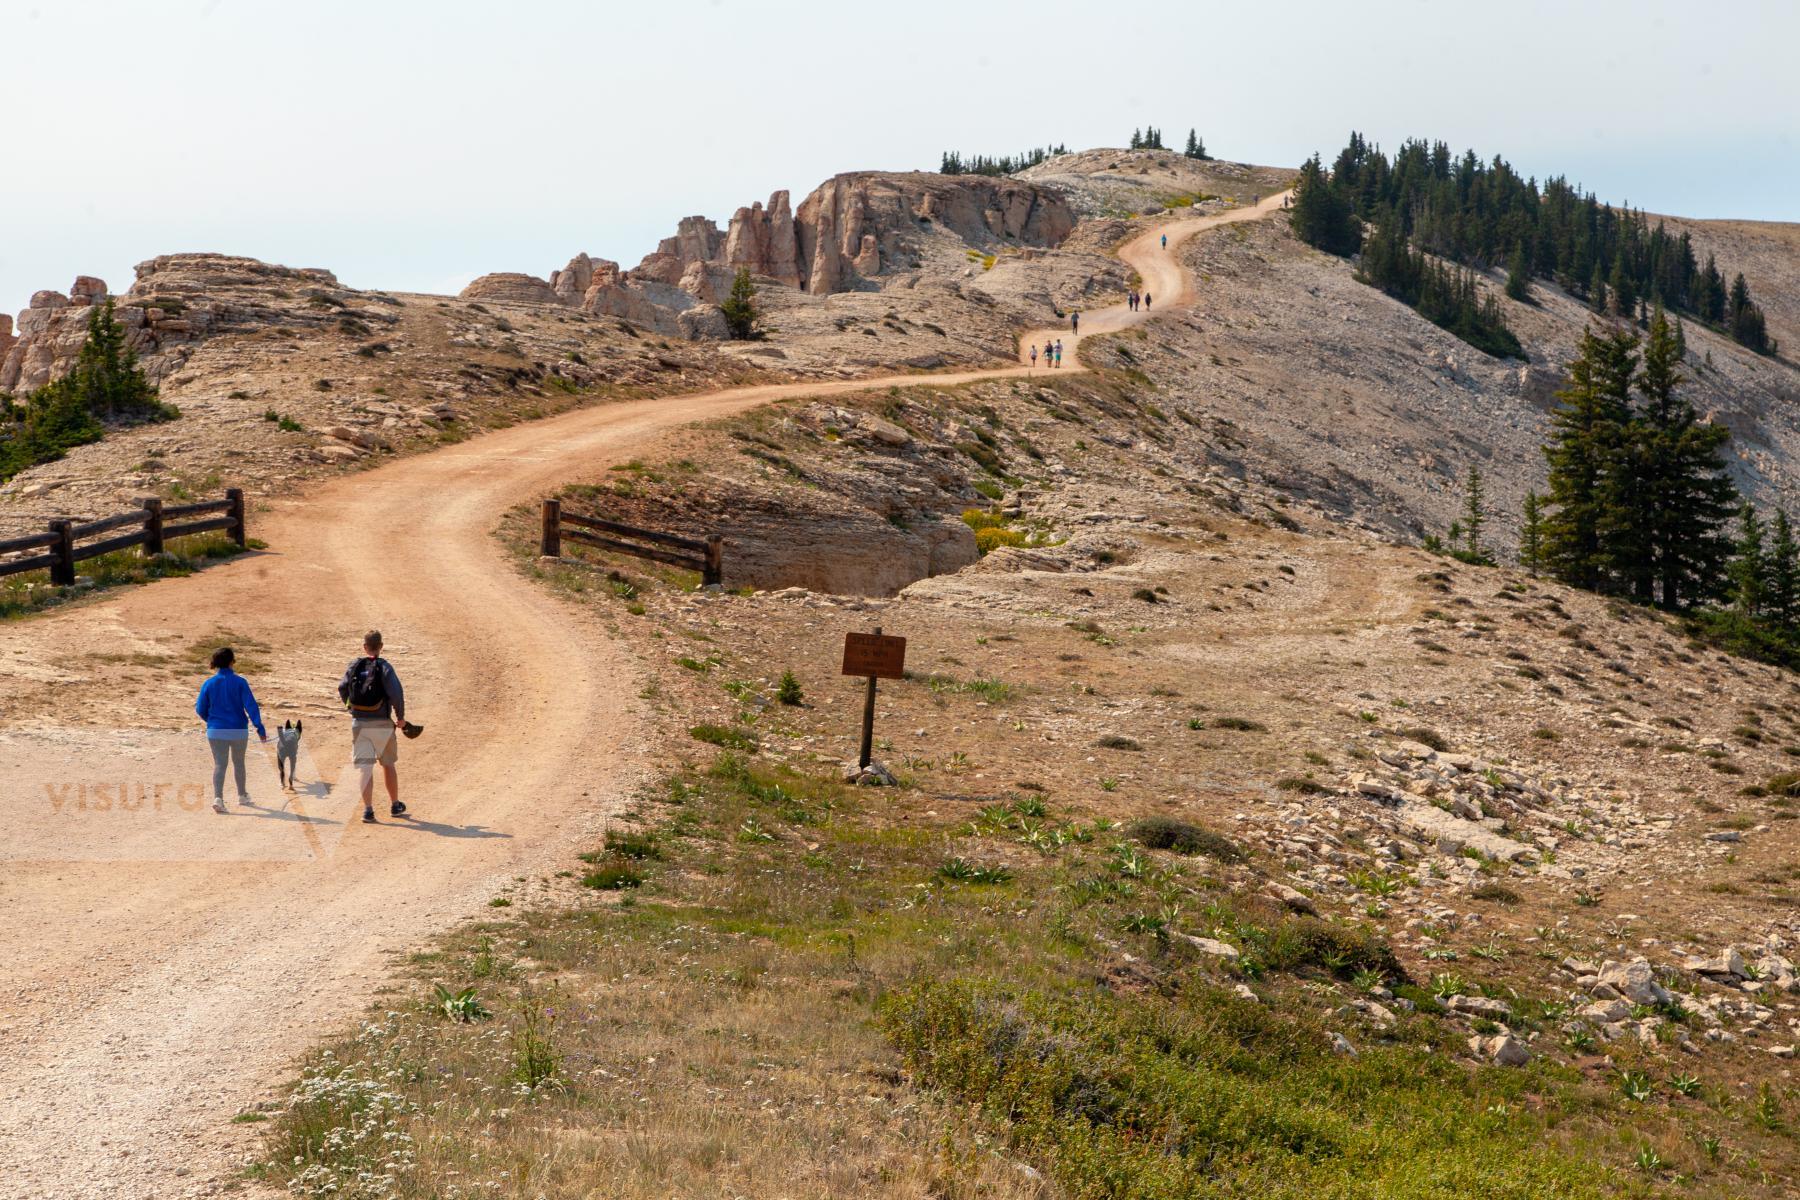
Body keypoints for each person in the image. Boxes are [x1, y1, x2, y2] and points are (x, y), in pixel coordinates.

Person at [338, 630, 408, 823]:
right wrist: (400, 718)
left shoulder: (355, 665)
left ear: (364, 646)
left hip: (359, 722)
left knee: (365, 769)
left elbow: (342, 688)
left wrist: (350, 708)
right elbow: (396, 694)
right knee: (388, 764)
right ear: (381, 646)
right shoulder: (384, 667)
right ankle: (395, 805)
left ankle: (368, 810)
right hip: (382, 723)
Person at [195, 647, 267, 813]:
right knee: (239, 763)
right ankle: (242, 795)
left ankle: (218, 799)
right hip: (238, 730)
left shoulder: (208, 683)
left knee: (220, 765)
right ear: (231, 662)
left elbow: (200, 708)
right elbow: (251, 706)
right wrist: (260, 728)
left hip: (215, 731)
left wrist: (211, 721)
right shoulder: (240, 682)